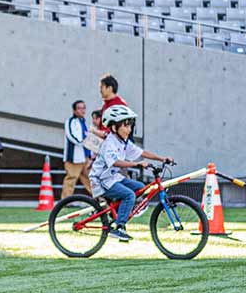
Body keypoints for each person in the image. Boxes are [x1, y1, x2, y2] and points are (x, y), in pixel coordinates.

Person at [89, 105, 173, 242]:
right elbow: (115, 162)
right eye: (126, 126)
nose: (129, 129)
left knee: (140, 187)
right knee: (129, 195)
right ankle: (119, 227)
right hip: (101, 180)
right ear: (115, 128)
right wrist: (137, 164)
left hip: (113, 178)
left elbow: (141, 153)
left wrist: (162, 158)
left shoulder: (123, 142)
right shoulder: (110, 142)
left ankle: (118, 211)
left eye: (130, 126)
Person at [62, 100, 93, 199]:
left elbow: (88, 138)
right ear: (74, 110)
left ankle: (99, 198)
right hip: (74, 156)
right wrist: (82, 141)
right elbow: (71, 135)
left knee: (90, 178)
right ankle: (65, 200)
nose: (82, 110)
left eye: (83, 108)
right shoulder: (70, 121)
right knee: (71, 177)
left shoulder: (84, 122)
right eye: (79, 108)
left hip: (85, 156)